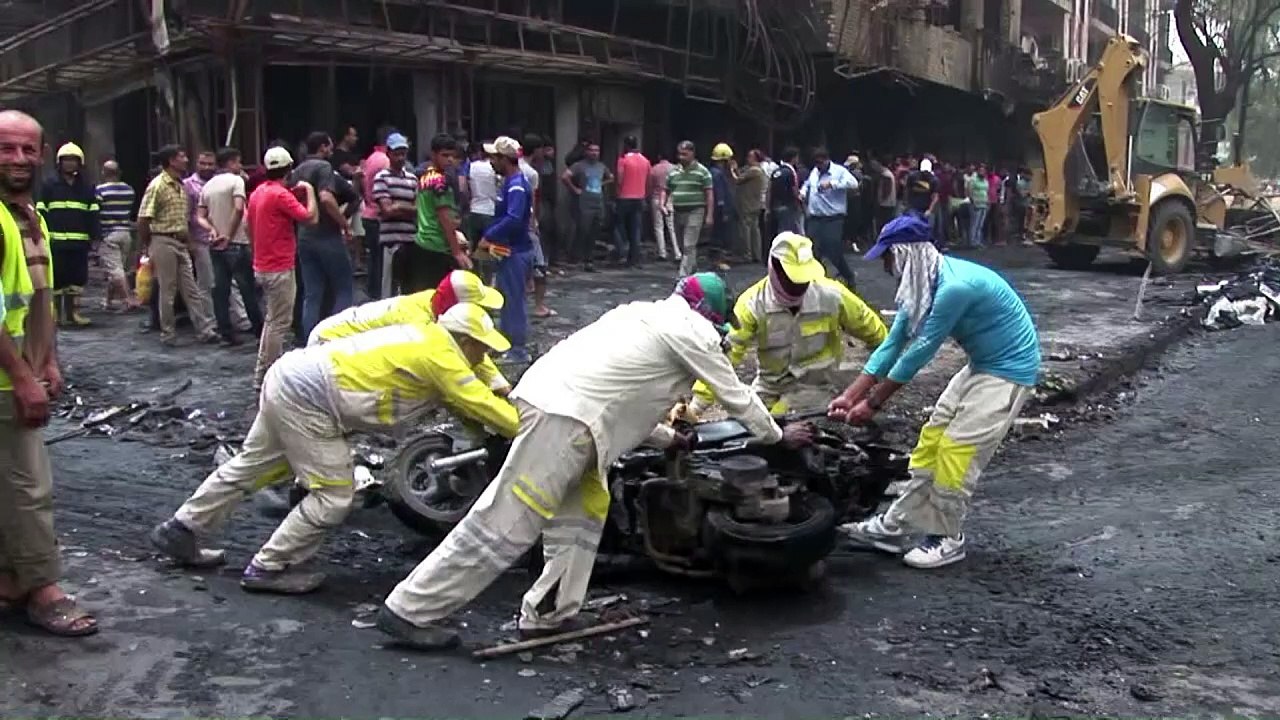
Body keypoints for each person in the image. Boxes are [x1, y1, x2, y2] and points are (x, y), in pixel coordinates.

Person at [377, 273, 815, 649]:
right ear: (710, 313)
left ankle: (550, 613)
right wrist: (777, 435)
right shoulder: (691, 330)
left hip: (563, 406)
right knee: (508, 522)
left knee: (585, 512)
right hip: (566, 418)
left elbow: (622, 398)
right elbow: (734, 394)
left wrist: (667, 439)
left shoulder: (639, 313)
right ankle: (410, 610)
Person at [150, 302, 521, 594]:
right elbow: (478, 402)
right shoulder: (442, 357)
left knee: (254, 464)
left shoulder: (428, 337)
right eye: (482, 348)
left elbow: (465, 405)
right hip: (310, 398)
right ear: (467, 341)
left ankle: (182, 529)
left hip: (291, 376)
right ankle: (270, 567)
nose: (485, 356)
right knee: (334, 494)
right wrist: (526, 426)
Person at [829, 214, 1039, 568]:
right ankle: (895, 527)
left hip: (1007, 372)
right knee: (931, 443)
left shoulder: (955, 288)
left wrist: (872, 404)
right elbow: (893, 342)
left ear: (907, 253)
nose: (884, 265)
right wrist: (850, 396)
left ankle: (947, 537)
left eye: (887, 256)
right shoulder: (921, 285)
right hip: (980, 366)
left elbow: (919, 353)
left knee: (956, 452)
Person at [0, 109, 98, 636]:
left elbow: (38, 296)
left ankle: (11, 579)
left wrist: (50, 360)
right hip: (4, 376)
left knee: (10, 481)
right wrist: (20, 376)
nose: (18, 159)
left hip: (21, 369)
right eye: (5, 149)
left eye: (26, 149)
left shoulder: (27, 212)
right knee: (29, 484)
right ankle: (44, 590)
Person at [689, 232, 886, 416]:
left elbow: (878, 336)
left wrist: (874, 389)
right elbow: (726, 355)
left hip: (815, 387)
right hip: (769, 386)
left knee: (778, 422)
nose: (798, 285)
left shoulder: (832, 296)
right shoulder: (752, 304)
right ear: (774, 268)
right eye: (792, 278)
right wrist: (696, 406)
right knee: (748, 423)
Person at [246, 146, 318, 390]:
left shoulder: (258, 193)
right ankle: (271, 378)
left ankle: (260, 374)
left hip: (262, 265)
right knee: (279, 324)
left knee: (271, 320)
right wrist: (309, 191)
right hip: (279, 266)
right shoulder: (280, 195)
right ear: (289, 169)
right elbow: (310, 217)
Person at [138, 145, 219, 346]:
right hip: (162, 238)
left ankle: (204, 330)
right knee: (168, 288)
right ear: (172, 161)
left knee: (190, 287)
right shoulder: (158, 185)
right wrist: (148, 242)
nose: (185, 159)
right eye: (181, 156)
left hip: (180, 241)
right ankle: (168, 333)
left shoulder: (180, 186)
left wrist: (188, 242)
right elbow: (143, 218)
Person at [290, 131, 357, 338]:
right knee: (344, 287)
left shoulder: (296, 172)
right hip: (327, 235)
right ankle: (338, 336)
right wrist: (344, 224)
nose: (331, 151)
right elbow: (326, 198)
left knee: (312, 293)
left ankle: (310, 337)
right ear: (323, 148)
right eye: (329, 147)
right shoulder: (324, 167)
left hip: (304, 236)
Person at [196, 147, 263, 346]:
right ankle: (259, 330)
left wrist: (213, 231)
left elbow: (199, 216)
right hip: (237, 242)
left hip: (215, 244)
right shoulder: (236, 181)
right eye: (238, 162)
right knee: (247, 289)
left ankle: (226, 332)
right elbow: (239, 207)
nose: (240, 166)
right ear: (232, 163)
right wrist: (229, 234)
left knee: (221, 290)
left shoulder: (208, 186)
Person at [477, 136, 535, 364]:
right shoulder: (511, 183)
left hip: (514, 250)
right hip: (508, 249)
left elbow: (513, 218)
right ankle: (508, 344)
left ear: (504, 159)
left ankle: (517, 349)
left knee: (513, 300)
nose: (491, 161)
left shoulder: (517, 186)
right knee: (507, 298)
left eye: (494, 157)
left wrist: (489, 236)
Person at [38, 142, 100, 327]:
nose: (70, 164)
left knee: (77, 278)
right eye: (66, 161)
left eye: (73, 160)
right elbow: (41, 211)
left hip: (79, 242)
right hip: (56, 241)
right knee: (57, 278)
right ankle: (55, 313)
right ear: (60, 163)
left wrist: (95, 236)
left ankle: (74, 313)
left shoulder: (86, 187)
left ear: (79, 163)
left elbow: (93, 212)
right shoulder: (49, 185)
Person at [414, 133, 468, 289]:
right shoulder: (440, 182)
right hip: (437, 244)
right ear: (433, 155)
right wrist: (457, 251)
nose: (450, 160)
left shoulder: (425, 177)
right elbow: (444, 218)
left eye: (452, 156)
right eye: (445, 155)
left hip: (423, 241)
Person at [800, 147, 858, 288]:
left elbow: (854, 184)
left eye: (821, 163)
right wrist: (803, 191)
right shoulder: (815, 171)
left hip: (833, 217)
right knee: (812, 249)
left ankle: (847, 274)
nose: (818, 166)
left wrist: (833, 184)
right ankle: (817, 279)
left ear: (827, 160)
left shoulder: (839, 171)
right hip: (815, 217)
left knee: (832, 248)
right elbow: (808, 183)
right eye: (816, 164)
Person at [371, 133, 418, 298]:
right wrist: (407, 207)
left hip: (411, 239)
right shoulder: (381, 178)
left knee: (409, 287)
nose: (400, 158)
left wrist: (399, 206)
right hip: (391, 241)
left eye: (403, 153)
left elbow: (419, 208)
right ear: (388, 153)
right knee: (389, 287)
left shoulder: (412, 179)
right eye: (397, 153)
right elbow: (387, 210)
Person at [662, 140, 714, 276]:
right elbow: (666, 189)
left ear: (692, 153)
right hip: (678, 210)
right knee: (681, 244)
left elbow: (709, 194)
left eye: (684, 154)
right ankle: (693, 269)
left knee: (688, 244)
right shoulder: (673, 172)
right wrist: (663, 204)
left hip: (695, 210)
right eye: (679, 154)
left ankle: (683, 275)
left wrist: (709, 215)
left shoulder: (702, 172)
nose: (681, 157)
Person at [95, 160, 138, 312]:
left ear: (104, 172)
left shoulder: (100, 191)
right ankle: (108, 301)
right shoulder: (129, 190)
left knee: (115, 270)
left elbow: (96, 211)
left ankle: (128, 300)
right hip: (125, 233)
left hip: (109, 233)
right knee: (118, 269)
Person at [562, 141, 612, 272]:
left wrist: (603, 184)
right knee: (583, 230)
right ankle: (575, 257)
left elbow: (611, 177)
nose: (594, 153)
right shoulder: (579, 166)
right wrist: (575, 189)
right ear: (586, 152)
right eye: (592, 150)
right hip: (584, 204)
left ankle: (589, 260)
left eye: (597, 150)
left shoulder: (601, 166)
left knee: (594, 232)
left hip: (598, 203)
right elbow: (565, 177)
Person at [518, 140, 554, 319]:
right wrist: (533, 222)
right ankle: (539, 306)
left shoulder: (512, 170)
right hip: (526, 224)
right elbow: (533, 199)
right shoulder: (530, 173)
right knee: (539, 266)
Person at [360, 128, 392, 299]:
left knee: (374, 257)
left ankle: (372, 290)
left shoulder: (371, 159)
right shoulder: (384, 161)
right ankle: (380, 293)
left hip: (368, 211)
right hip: (378, 214)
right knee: (382, 259)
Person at [614, 135, 650, 267]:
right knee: (636, 228)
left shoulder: (623, 160)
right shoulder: (645, 161)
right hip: (639, 197)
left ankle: (621, 253)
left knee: (619, 226)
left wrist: (617, 193)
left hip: (624, 197)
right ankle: (634, 258)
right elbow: (648, 181)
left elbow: (619, 179)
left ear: (626, 145)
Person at [732, 149, 767, 263]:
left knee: (746, 230)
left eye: (750, 157)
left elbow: (737, 179)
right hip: (755, 204)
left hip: (748, 204)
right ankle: (756, 254)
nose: (748, 158)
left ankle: (747, 254)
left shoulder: (754, 170)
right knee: (754, 230)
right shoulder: (758, 170)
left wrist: (732, 169)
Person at [463, 142, 499, 248]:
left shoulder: (470, 166)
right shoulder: (495, 167)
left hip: (474, 209)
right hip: (491, 210)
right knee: (489, 248)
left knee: (472, 246)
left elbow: (463, 187)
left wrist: (468, 202)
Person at [708, 143, 737, 268]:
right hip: (720, 209)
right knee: (719, 235)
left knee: (718, 234)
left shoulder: (715, 172)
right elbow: (720, 193)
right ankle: (717, 261)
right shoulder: (717, 174)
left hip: (719, 208)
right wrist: (723, 211)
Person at [648, 152, 679, 261]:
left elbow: (650, 185)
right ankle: (677, 252)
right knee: (672, 227)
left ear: (659, 157)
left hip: (656, 198)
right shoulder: (675, 169)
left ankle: (662, 253)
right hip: (670, 198)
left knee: (658, 227)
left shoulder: (654, 169)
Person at [768, 146, 802, 236]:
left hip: (776, 206)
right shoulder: (790, 172)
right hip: (788, 206)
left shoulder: (776, 171)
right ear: (794, 158)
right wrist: (799, 200)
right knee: (788, 231)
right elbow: (793, 189)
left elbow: (770, 189)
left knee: (780, 231)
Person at [966, 164, 991, 248]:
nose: (982, 172)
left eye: (983, 171)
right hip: (975, 204)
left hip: (984, 204)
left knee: (980, 224)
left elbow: (987, 191)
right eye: (980, 170)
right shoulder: (973, 179)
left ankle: (978, 241)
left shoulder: (985, 180)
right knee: (974, 224)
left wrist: (987, 202)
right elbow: (969, 191)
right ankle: (972, 242)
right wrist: (973, 201)